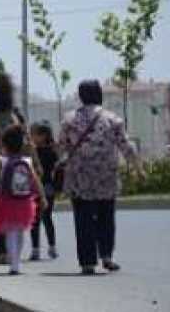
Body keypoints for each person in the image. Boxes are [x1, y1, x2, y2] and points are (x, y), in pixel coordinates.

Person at [60, 79, 144, 275]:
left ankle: (88, 262)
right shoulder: (112, 119)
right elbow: (126, 146)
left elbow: (61, 147)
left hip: (79, 178)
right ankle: (107, 255)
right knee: (107, 216)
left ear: (80, 96)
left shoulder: (69, 120)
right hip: (106, 177)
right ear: (99, 94)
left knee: (83, 219)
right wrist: (138, 168)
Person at [0, 73, 42, 265]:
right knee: (17, 207)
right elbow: (28, 144)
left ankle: (2, 251)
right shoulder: (15, 115)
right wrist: (36, 164)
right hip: (17, 169)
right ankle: (13, 246)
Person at [0, 125, 47, 275]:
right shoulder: (27, 161)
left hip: (6, 201)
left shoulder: (0, 159)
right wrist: (42, 197)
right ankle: (17, 261)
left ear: (4, 145)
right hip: (24, 201)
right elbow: (35, 180)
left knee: (10, 232)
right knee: (20, 231)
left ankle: (13, 263)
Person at [29, 122, 59, 260]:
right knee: (36, 219)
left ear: (43, 136)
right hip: (38, 187)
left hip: (45, 187)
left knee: (45, 218)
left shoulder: (48, 152)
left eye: (35, 134)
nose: (32, 136)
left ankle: (51, 247)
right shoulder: (37, 151)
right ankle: (36, 249)